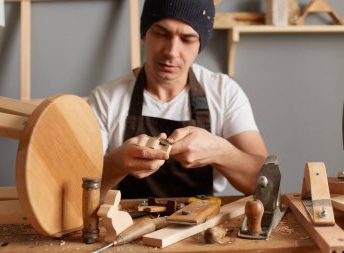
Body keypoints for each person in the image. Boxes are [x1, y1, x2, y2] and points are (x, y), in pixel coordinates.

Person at [88, 0, 267, 199]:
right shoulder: (106, 99)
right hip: (127, 225)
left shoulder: (224, 93)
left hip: (204, 225)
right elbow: (77, 189)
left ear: (200, 45)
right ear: (144, 35)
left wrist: (219, 151)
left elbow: (264, 182)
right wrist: (118, 162)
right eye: (162, 34)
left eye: (187, 39)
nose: (171, 51)